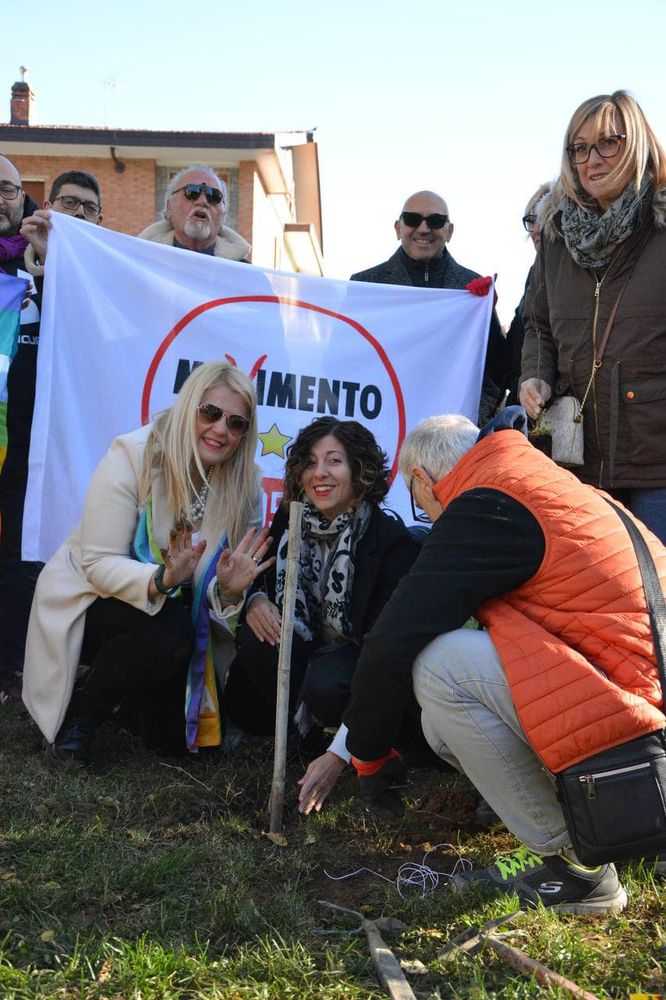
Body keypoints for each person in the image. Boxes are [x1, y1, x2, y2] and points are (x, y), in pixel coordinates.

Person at [343, 406, 666, 914]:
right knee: (439, 728)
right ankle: (609, 825)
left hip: (637, 718)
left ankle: (572, 864)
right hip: (643, 695)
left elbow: (393, 639)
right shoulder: (532, 478)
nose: (429, 518)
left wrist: (366, 754)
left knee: (441, 666)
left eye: (420, 504)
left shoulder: (485, 502)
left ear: (423, 480)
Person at [22, 361, 274, 767]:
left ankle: (131, 700)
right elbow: (97, 563)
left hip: (179, 618)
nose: (220, 430)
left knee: (172, 741)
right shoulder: (133, 454)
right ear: (189, 408)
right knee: (169, 628)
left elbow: (220, 587)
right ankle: (82, 716)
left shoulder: (246, 487)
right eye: (210, 413)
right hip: (91, 601)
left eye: (236, 423)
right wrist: (163, 578)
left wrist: (229, 591)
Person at [223, 416, 421, 814]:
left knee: (327, 683)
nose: (320, 473)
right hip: (305, 649)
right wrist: (254, 599)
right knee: (256, 635)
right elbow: (260, 579)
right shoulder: (290, 519)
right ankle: (300, 734)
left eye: (334, 461)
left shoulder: (391, 544)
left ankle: (352, 742)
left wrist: (339, 753)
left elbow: (385, 657)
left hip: (357, 663)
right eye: (310, 462)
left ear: (360, 471)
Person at [520, 90, 666, 543]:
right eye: (579, 148)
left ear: (637, 144)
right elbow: (538, 325)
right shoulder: (556, 238)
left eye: (608, 143)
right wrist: (536, 375)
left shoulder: (661, 229)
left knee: (655, 584)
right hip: (575, 461)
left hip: (657, 464)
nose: (593, 160)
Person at [350, 190, 508, 423]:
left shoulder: (474, 289)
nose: (423, 229)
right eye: (412, 219)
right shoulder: (365, 286)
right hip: (380, 424)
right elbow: (345, 362)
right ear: (398, 228)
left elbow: (495, 369)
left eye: (435, 220)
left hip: (454, 431)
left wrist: (472, 416)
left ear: (449, 231)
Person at [0, 155, 40, 700]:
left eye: (7, 189)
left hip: (21, 439)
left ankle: (9, 661)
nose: (0, 198)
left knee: (14, 555)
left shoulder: (39, 268)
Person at [139, 164, 250, 260]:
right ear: (169, 207)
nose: (203, 201)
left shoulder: (243, 273)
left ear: (223, 214)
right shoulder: (140, 263)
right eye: (192, 192)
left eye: (214, 196)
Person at [503, 183, 551, 405]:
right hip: (525, 404)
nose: (535, 229)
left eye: (544, 218)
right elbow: (512, 352)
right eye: (531, 220)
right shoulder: (533, 275)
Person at [20, 169, 104, 277]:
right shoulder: (15, 255)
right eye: (69, 202)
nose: (80, 212)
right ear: (48, 209)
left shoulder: (108, 268)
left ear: (98, 222)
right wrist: (45, 257)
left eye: (91, 208)